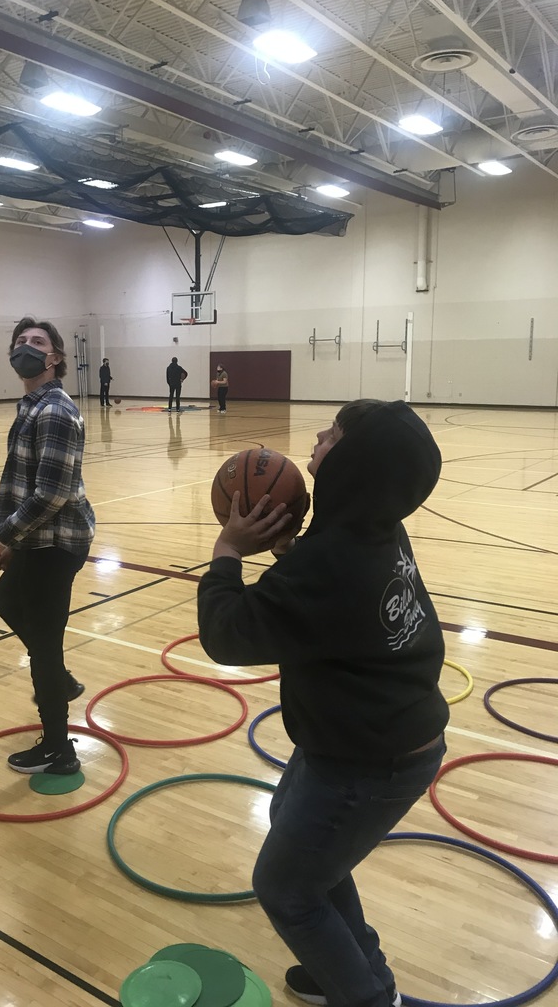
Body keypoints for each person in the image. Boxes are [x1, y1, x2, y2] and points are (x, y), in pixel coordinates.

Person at [197, 399, 447, 1007]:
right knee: (308, 854)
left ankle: (365, 995)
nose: (316, 435)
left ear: (352, 464)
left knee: (285, 889)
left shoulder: (330, 561)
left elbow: (227, 635)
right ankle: (360, 971)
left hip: (367, 760)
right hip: (366, 738)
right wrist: (287, 549)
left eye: (331, 435)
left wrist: (228, 548)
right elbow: (328, 598)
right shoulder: (375, 526)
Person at [0, 316, 95, 775]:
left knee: (45, 645)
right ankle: (60, 681)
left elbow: (51, 494)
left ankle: (58, 750)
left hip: (59, 542)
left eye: (37, 342)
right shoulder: (30, 405)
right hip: (40, 538)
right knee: (7, 598)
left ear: (55, 358)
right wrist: (15, 540)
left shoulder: (54, 411)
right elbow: (21, 484)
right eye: (19, 341)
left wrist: (4, 534)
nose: (25, 347)